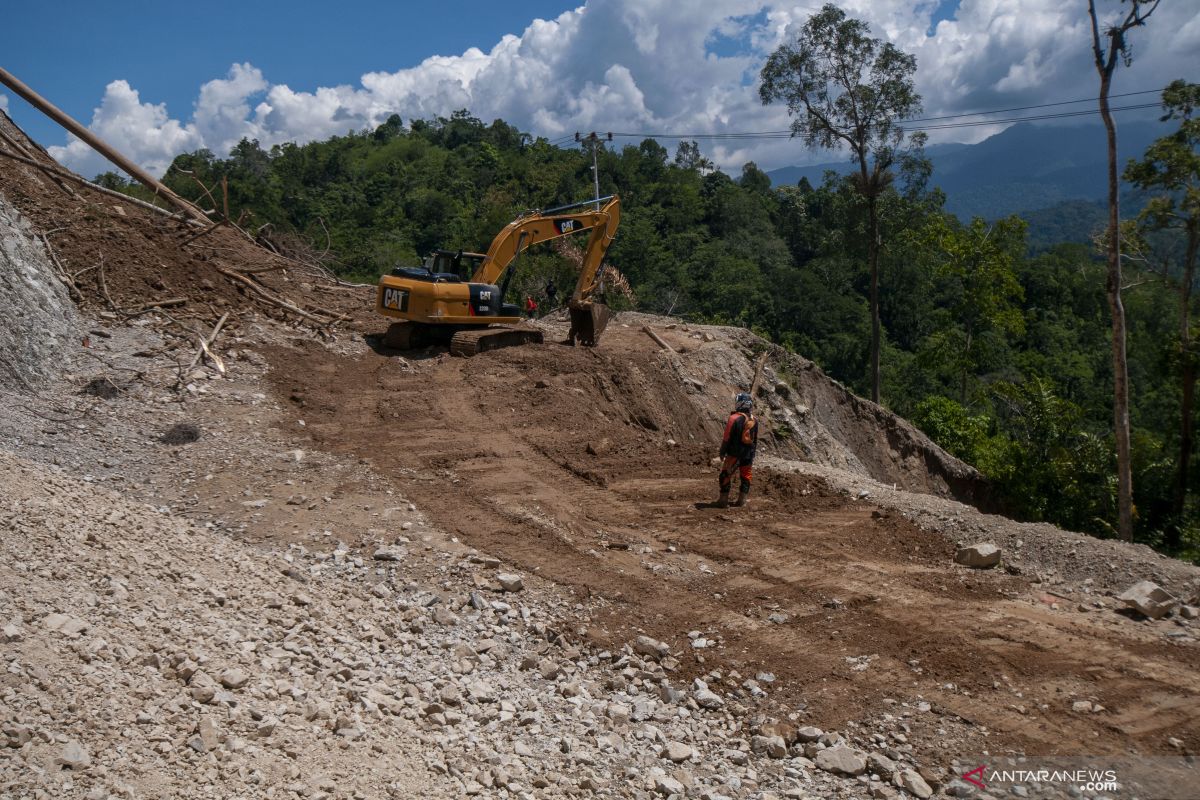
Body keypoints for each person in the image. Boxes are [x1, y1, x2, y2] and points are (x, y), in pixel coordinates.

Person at [716, 392, 758, 508]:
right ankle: (742, 500)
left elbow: (726, 438)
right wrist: (752, 454)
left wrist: (722, 452)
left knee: (725, 475)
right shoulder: (754, 419)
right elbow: (755, 440)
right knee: (746, 476)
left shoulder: (733, 418)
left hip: (734, 454)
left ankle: (723, 500)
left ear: (739, 403)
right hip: (748, 454)